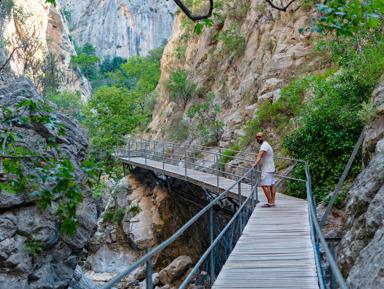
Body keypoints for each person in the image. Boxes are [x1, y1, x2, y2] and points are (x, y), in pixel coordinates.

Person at [252, 132, 276, 207]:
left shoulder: (264, 145)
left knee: (264, 185)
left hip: (267, 169)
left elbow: (260, 155)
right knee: (271, 185)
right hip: (271, 168)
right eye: (257, 137)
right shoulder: (266, 144)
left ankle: (269, 202)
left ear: (263, 137)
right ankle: (272, 202)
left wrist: (255, 164)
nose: (258, 138)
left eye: (259, 137)